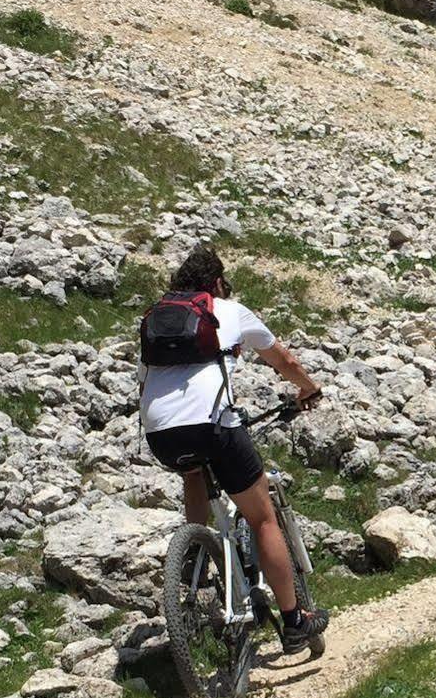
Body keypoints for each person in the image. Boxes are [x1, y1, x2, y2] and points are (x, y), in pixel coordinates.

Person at [138, 243, 330, 652]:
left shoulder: (159, 319)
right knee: (262, 518)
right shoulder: (228, 310)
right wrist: (309, 389)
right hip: (212, 426)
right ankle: (295, 620)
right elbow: (284, 361)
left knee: (193, 471)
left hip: (160, 432)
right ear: (217, 282)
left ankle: (194, 556)